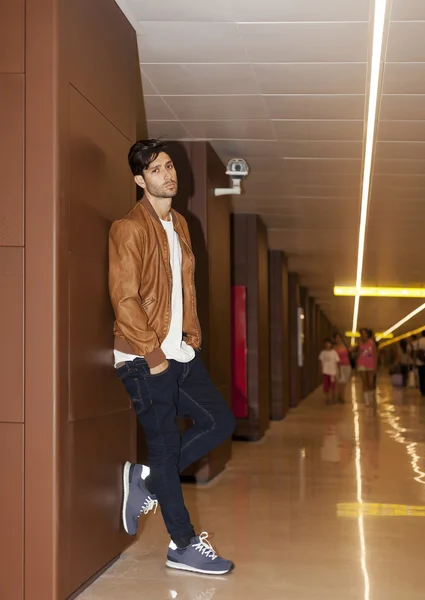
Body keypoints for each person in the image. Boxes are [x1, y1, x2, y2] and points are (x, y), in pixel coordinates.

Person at [108, 139, 236, 575]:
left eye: (169, 166)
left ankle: (143, 480)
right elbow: (124, 299)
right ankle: (181, 545)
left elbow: (183, 291)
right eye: (157, 169)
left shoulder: (179, 223)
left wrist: (189, 340)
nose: (168, 173)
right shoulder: (129, 228)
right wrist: (154, 354)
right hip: (145, 358)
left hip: (179, 352)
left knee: (221, 421)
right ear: (140, 180)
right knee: (164, 450)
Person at [357, 328, 377, 406]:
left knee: (370, 382)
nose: (363, 335)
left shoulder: (372, 343)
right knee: (364, 382)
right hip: (361, 363)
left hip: (370, 364)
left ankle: (370, 396)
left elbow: (375, 355)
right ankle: (366, 401)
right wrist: (357, 365)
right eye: (362, 333)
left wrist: (375, 366)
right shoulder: (360, 343)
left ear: (368, 334)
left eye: (365, 333)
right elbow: (359, 354)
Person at [319, 339, 340, 405]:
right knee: (326, 386)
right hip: (325, 372)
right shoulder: (323, 353)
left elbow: (337, 362)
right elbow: (320, 362)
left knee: (333, 386)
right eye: (326, 344)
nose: (327, 345)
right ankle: (327, 399)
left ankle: (333, 398)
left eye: (329, 344)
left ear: (331, 344)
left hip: (332, 372)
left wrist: (339, 371)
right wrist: (320, 370)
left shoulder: (334, 352)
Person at [333, 333, 352, 404]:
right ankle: (342, 397)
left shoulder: (345, 346)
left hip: (347, 366)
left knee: (344, 382)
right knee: (341, 381)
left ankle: (340, 395)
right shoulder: (334, 348)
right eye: (336, 338)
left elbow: (350, 351)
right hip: (339, 366)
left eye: (339, 337)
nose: (337, 339)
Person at [412, 331, 425, 397]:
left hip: (420, 362)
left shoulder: (418, 342)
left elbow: (415, 353)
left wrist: (414, 362)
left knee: (421, 377)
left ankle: (423, 391)